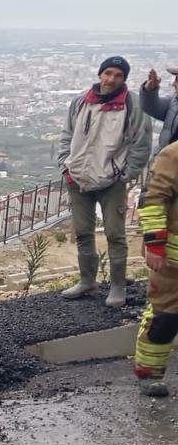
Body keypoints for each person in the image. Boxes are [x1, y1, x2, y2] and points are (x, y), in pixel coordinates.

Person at [56, 55, 151, 307]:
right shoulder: (81, 101)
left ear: (124, 79)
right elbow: (67, 133)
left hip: (111, 181)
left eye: (118, 75)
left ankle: (118, 285)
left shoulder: (132, 105)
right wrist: (65, 164)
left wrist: (125, 176)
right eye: (108, 73)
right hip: (78, 177)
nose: (111, 79)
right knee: (83, 232)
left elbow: (141, 145)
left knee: (115, 234)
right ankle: (87, 280)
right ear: (100, 74)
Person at [134, 138, 178, 397]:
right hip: (172, 262)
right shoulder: (172, 155)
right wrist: (155, 246)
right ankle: (149, 372)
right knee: (165, 316)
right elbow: (152, 200)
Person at [138, 66, 178, 152]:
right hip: (166, 156)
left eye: (177, 79)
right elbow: (152, 107)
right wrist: (149, 91)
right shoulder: (174, 101)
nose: (173, 84)